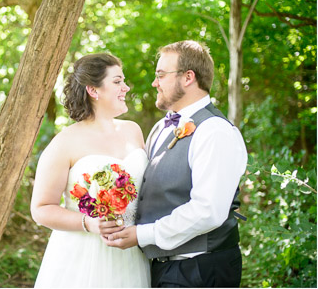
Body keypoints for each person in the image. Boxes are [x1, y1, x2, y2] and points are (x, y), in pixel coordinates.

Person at [103, 40, 247, 287]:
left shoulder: (215, 131)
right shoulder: (160, 127)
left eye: (161, 75)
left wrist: (142, 235)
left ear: (188, 77)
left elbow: (207, 211)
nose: (154, 83)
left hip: (200, 269)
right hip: (161, 268)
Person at [31, 53, 150, 287]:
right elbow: (41, 209)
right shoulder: (64, 142)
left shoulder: (133, 131)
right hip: (82, 256)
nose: (125, 87)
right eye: (117, 81)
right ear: (93, 91)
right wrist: (90, 223)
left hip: (131, 251)